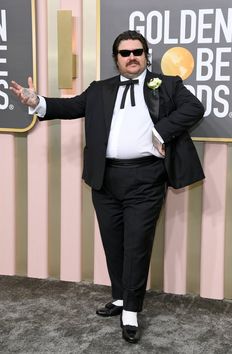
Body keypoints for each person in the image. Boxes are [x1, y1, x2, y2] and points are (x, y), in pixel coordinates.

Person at [10, 30, 205, 344]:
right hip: (105, 179)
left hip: (145, 178)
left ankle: (131, 310)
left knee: (137, 244)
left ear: (146, 55)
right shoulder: (100, 89)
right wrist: (38, 102)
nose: (132, 57)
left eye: (137, 52)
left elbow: (194, 108)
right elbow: (71, 107)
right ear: (116, 59)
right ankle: (119, 296)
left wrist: (160, 132)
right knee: (114, 242)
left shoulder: (167, 85)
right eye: (125, 53)